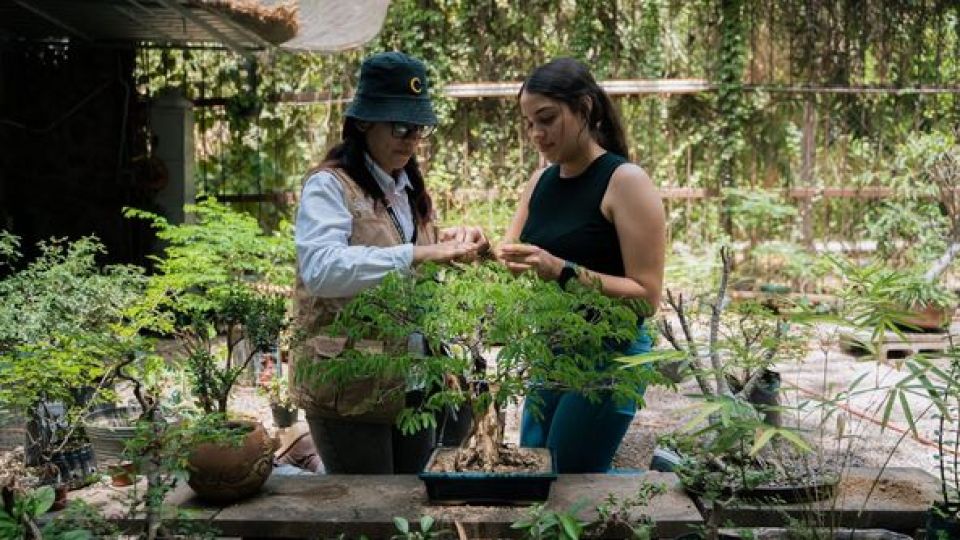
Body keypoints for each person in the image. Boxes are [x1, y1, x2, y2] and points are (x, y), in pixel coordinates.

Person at [293, 51, 487, 474]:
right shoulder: (329, 186)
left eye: (418, 128)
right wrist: (418, 253)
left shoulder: (406, 189)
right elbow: (322, 270)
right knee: (366, 511)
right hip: (349, 386)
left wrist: (453, 241)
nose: (410, 138)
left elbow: (404, 252)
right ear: (363, 122)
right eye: (400, 126)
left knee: (413, 502)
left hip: (412, 380)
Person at [495, 57, 666, 473]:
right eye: (529, 122)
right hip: (548, 351)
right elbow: (511, 259)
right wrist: (477, 248)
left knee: (568, 480)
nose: (537, 133)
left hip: (609, 357)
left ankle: (665, 490)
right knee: (533, 473)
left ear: (585, 108)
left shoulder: (625, 181)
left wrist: (564, 271)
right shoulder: (539, 182)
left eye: (547, 119)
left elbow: (646, 297)